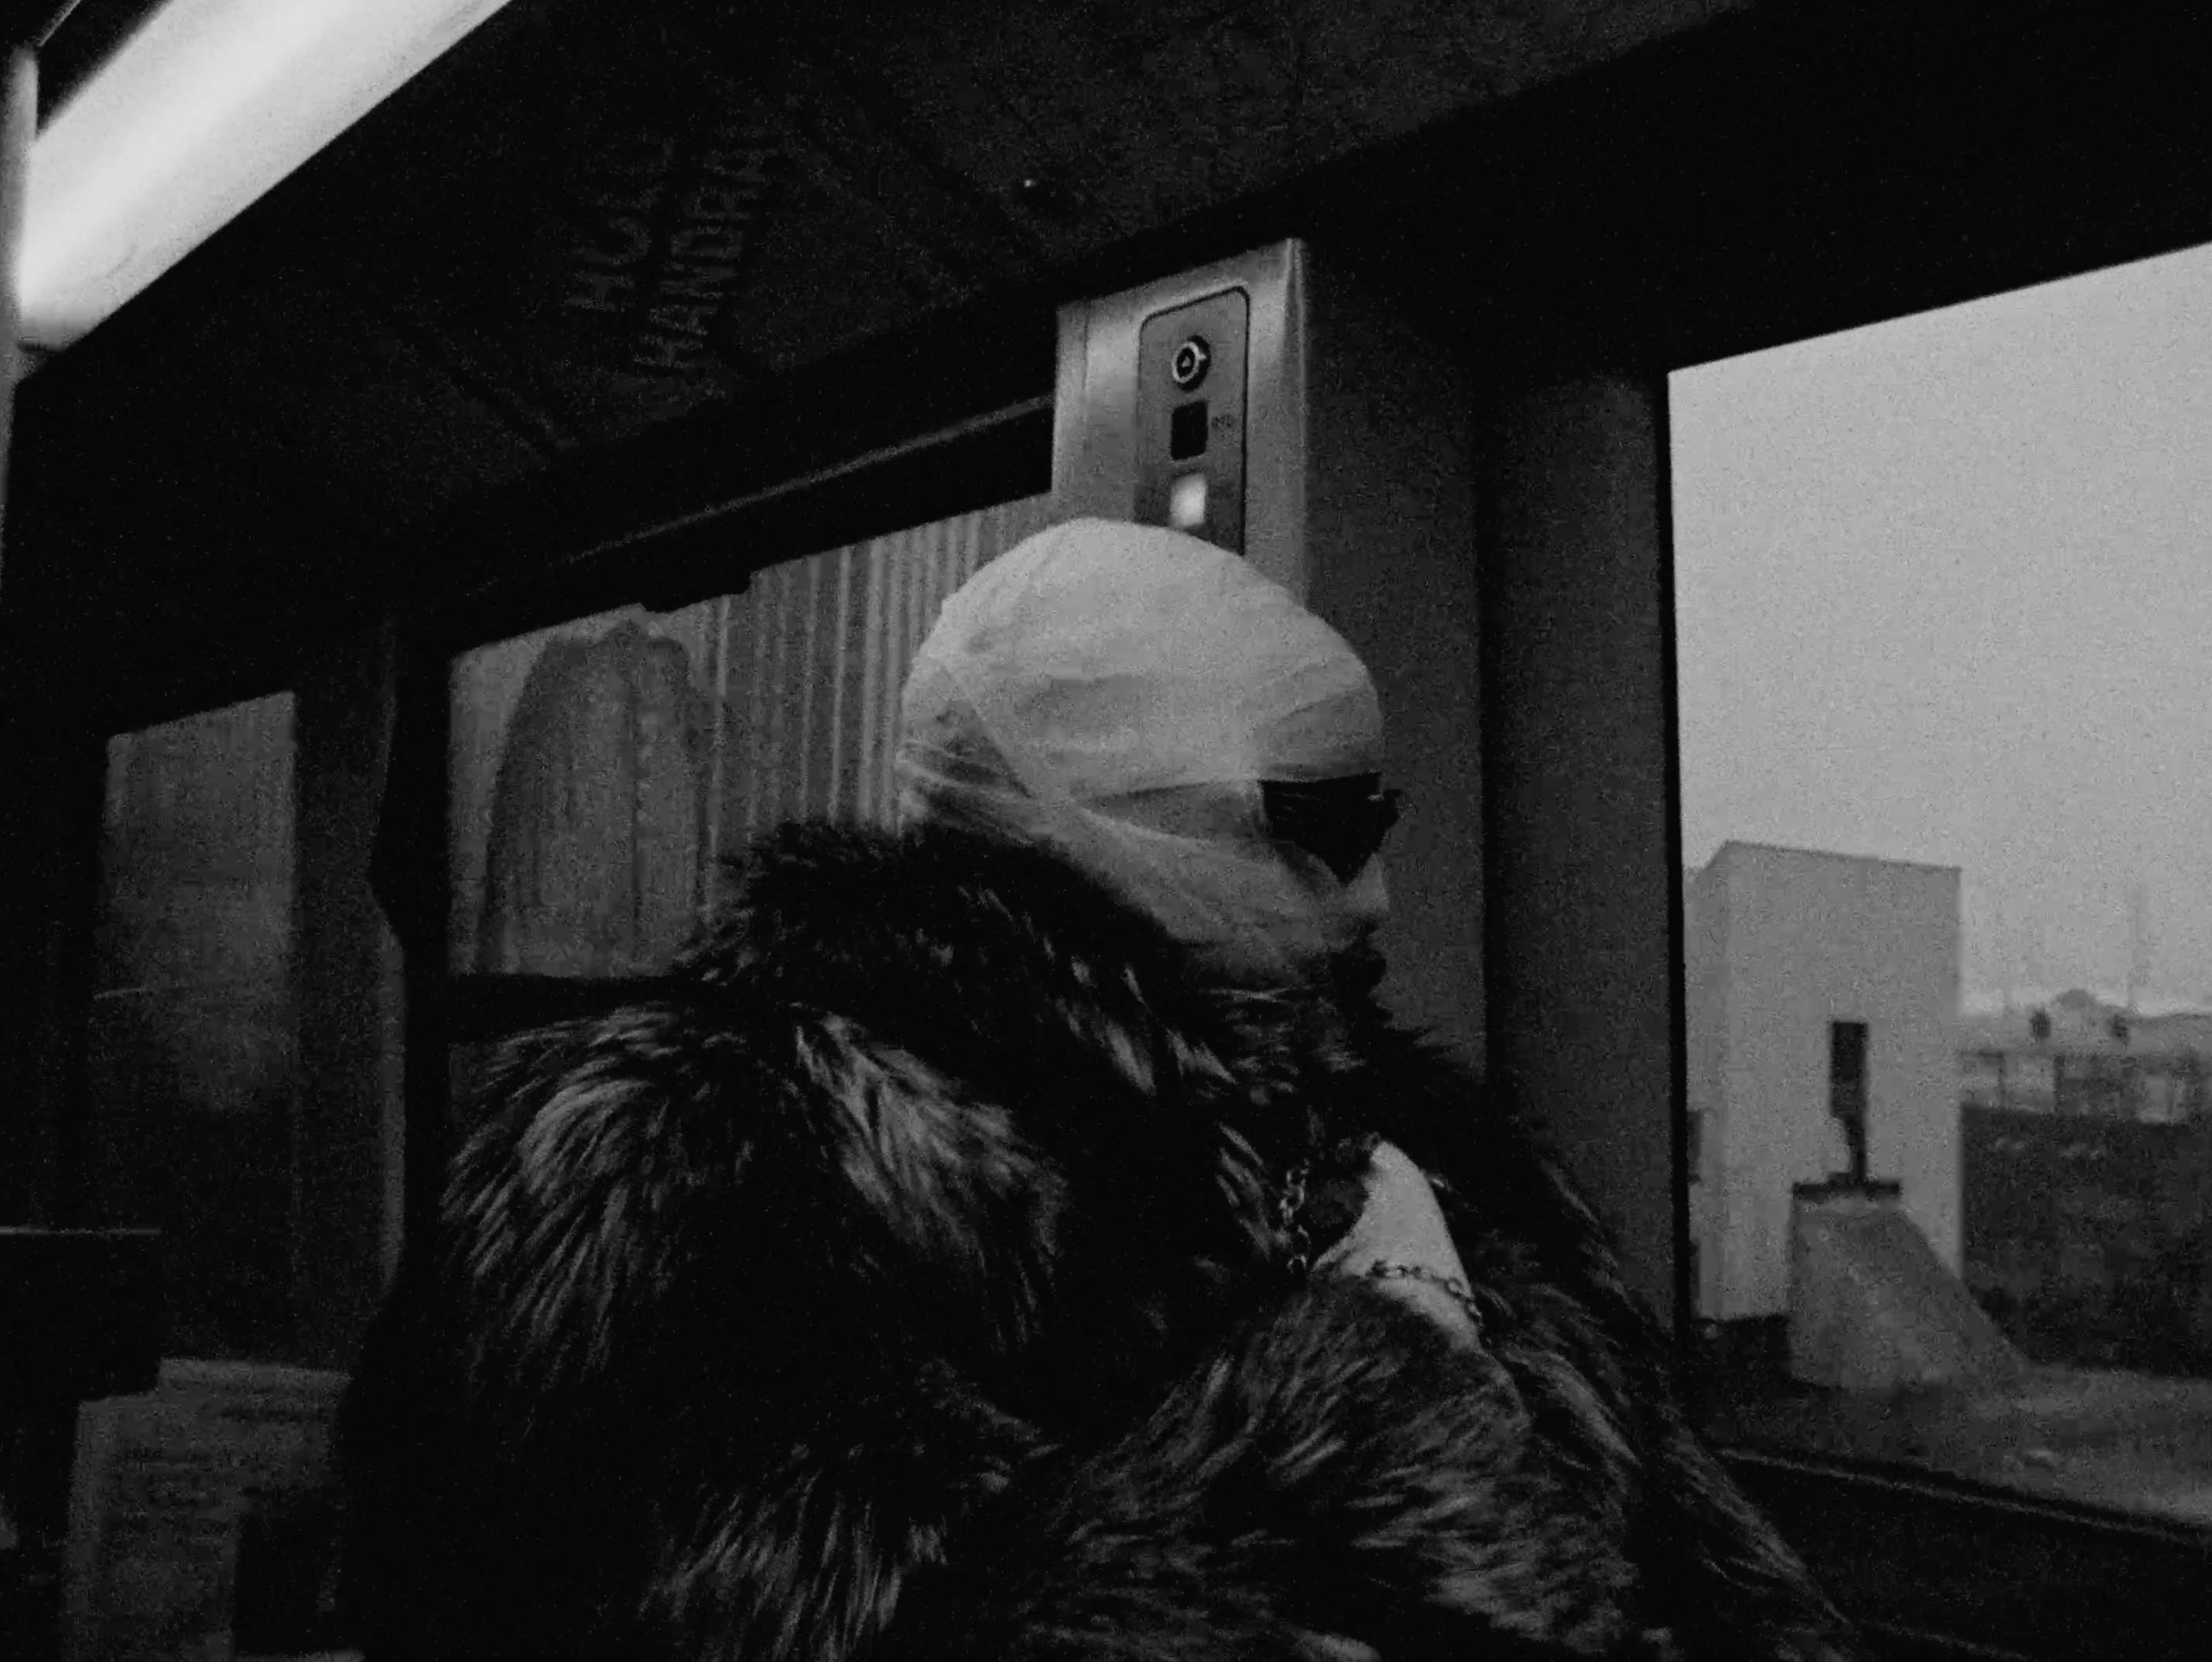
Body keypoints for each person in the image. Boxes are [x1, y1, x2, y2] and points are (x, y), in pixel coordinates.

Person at [337, 517, 1859, 1660]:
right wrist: (1365, 1406)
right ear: (1098, 809)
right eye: (1324, 825)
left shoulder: (1407, 1139)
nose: (1378, 898)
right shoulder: (683, 1162)